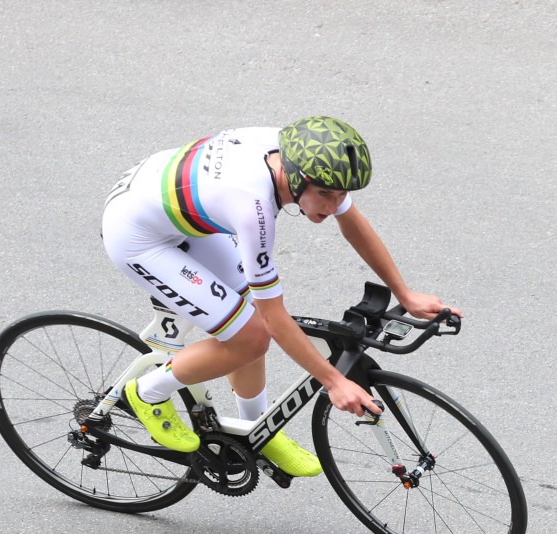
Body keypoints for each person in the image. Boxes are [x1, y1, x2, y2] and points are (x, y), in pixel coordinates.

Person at [101, 116, 462, 477]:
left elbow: (351, 221)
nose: (333, 205)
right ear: (297, 178)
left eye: (339, 195)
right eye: (324, 195)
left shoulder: (303, 155)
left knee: (246, 325)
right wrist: (334, 382)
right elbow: (274, 318)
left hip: (182, 209)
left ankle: (256, 427)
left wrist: (405, 294)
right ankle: (146, 392)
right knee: (252, 336)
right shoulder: (254, 208)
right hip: (138, 235)